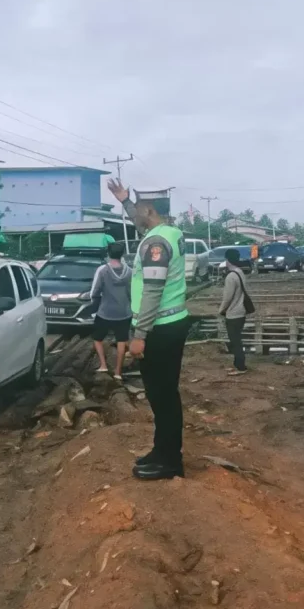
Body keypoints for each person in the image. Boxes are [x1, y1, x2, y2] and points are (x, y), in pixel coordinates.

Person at [108, 178, 191, 480]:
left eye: (139, 208)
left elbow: (153, 291)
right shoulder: (169, 232)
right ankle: (162, 450)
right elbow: (140, 223)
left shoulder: (155, 244)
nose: (136, 214)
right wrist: (125, 201)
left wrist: (140, 336)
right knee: (162, 395)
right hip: (171, 323)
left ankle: (170, 461)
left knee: (162, 396)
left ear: (150, 210)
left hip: (159, 329)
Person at [90, 242, 132, 380]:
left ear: (108, 253)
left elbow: (95, 291)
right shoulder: (129, 271)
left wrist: (94, 304)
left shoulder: (102, 270)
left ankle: (103, 365)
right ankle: (118, 372)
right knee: (122, 340)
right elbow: (132, 292)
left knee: (97, 338)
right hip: (124, 312)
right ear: (122, 254)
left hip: (105, 311)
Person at [219, 248, 249, 375]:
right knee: (237, 339)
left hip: (233, 314)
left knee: (235, 341)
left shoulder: (231, 276)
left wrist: (221, 310)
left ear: (227, 260)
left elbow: (227, 297)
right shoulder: (240, 272)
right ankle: (237, 365)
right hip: (241, 311)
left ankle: (241, 367)